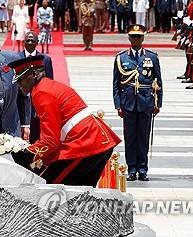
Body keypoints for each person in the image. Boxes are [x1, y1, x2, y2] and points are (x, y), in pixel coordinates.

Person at [9, 55, 121, 186]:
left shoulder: (41, 92)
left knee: (51, 185)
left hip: (86, 142)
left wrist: (27, 153)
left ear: (33, 75)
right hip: (95, 140)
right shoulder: (48, 86)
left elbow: (50, 141)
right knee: (80, 192)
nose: (19, 84)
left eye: (21, 79)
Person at [113, 24, 162, 182]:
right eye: (133, 36)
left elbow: (158, 81)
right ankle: (131, 169)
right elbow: (116, 84)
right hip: (128, 103)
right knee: (130, 137)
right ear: (129, 38)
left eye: (138, 37)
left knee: (143, 137)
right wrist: (118, 104)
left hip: (146, 102)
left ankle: (143, 169)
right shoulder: (122, 57)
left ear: (143, 38)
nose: (136, 39)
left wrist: (158, 103)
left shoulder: (152, 57)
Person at [19, 32, 54, 143]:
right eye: (27, 40)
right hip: (20, 103)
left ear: (37, 43)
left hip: (37, 104)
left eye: (32, 41)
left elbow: (49, 83)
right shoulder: (16, 58)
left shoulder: (45, 60)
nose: (30, 43)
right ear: (23, 42)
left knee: (35, 136)